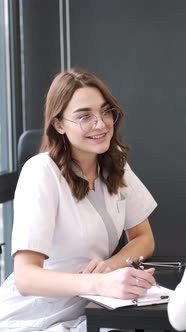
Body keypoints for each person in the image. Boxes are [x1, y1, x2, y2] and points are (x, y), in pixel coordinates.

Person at [0, 68, 157, 332]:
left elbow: (144, 238)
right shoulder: (41, 171)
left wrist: (111, 266)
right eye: (84, 116)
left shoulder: (114, 165)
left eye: (105, 111)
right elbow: (26, 277)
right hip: (34, 315)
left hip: (91, 307)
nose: (101, 123)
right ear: (59, 124)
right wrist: (100, 283)